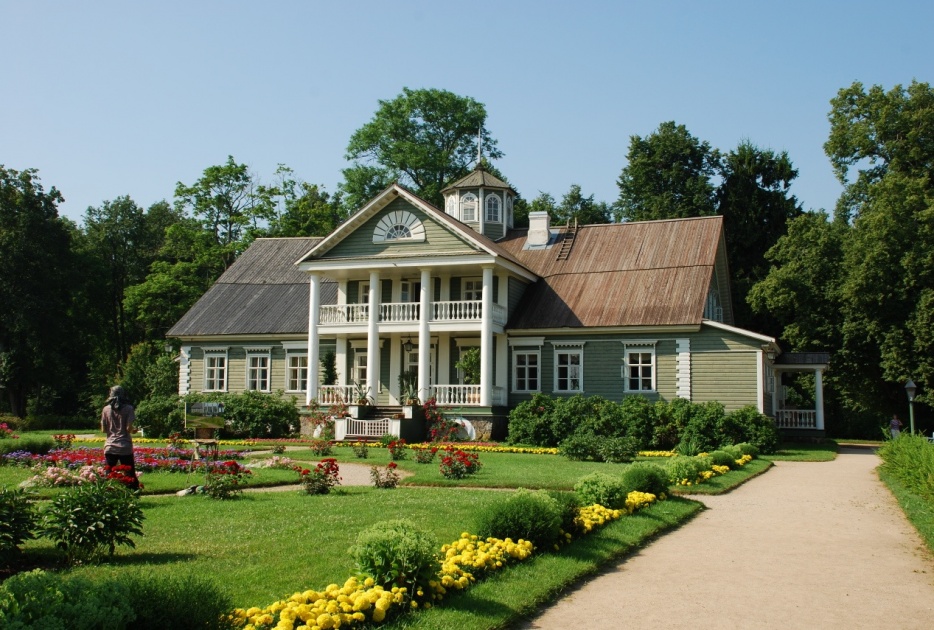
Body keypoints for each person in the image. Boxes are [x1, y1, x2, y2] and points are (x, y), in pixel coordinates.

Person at [101, 385, 140, 490]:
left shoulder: (106, 409)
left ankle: (106, 491)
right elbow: (128, 428)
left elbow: (103, 430)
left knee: (108, 473)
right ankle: (132, 492)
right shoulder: (129, 408)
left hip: (110, 446)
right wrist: (134, 430)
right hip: (124, 445)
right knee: (129, 473)